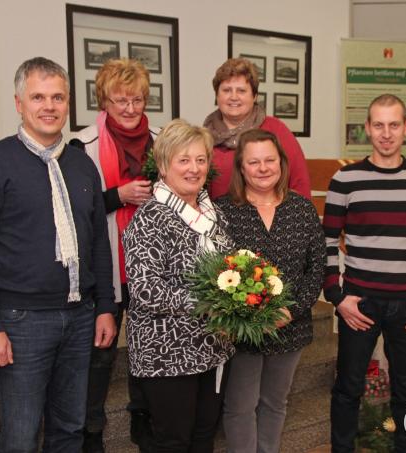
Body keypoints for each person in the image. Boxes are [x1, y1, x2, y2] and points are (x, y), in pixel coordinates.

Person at [0, 57, 116, 453]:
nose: (49, 106)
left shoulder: (81, 164)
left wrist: (105, 307)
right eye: (38, 97)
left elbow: (98, 242)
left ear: (68, 104)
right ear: (19, 103)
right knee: (20, 435)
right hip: (20, 321)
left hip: (80, 318)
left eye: (58, 97)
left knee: (70, 428)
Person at [322, 94, 406, 453]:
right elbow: (326, 242)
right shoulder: (345, 179)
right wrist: (337, 297)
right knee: (348, 388)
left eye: (394, 125)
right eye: (379, 125)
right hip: (358, 304)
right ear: (367, 128)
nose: (386, 133)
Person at [122, 119, 235, 453]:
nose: (193, 168)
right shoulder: (150, 217)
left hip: (214, 347)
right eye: (183, 160)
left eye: (200, 159)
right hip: (167, 354)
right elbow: (145, 289)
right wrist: (207, 304)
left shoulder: (214, 213)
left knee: (204, 437)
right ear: (163, 165)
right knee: (173, 443)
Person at [214, 128, 325, 453]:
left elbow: (317, 267)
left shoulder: (302, 209)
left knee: (276, 403)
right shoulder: (223, 211)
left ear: (281, 163)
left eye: (269, 160)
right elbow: (215, 270)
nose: (263, 168)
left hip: (291, 327)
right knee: (240, 406)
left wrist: (292, 310)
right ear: (241, 167)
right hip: (242, 332)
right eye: (254, 162)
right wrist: (243, 317)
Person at [68, 58, 159, 453]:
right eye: (121, 100)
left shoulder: (163, 139)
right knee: (100, 355)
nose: (130, 108)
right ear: (103, 100)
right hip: (106, 265)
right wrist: (117, 196)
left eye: (137, 99)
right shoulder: (81, 145)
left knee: (147, 349)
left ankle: (144, 419)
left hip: (152, 265)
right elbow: (75, 210)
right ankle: (91, 432)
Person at [203, 57, 312, 200]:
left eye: (241, 91)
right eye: (227, 90)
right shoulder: (204, 137)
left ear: (254, 96)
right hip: (216, 213)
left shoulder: (276, 130)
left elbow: (299, 182)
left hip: (271, 212)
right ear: (217, 95)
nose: (234, 97)